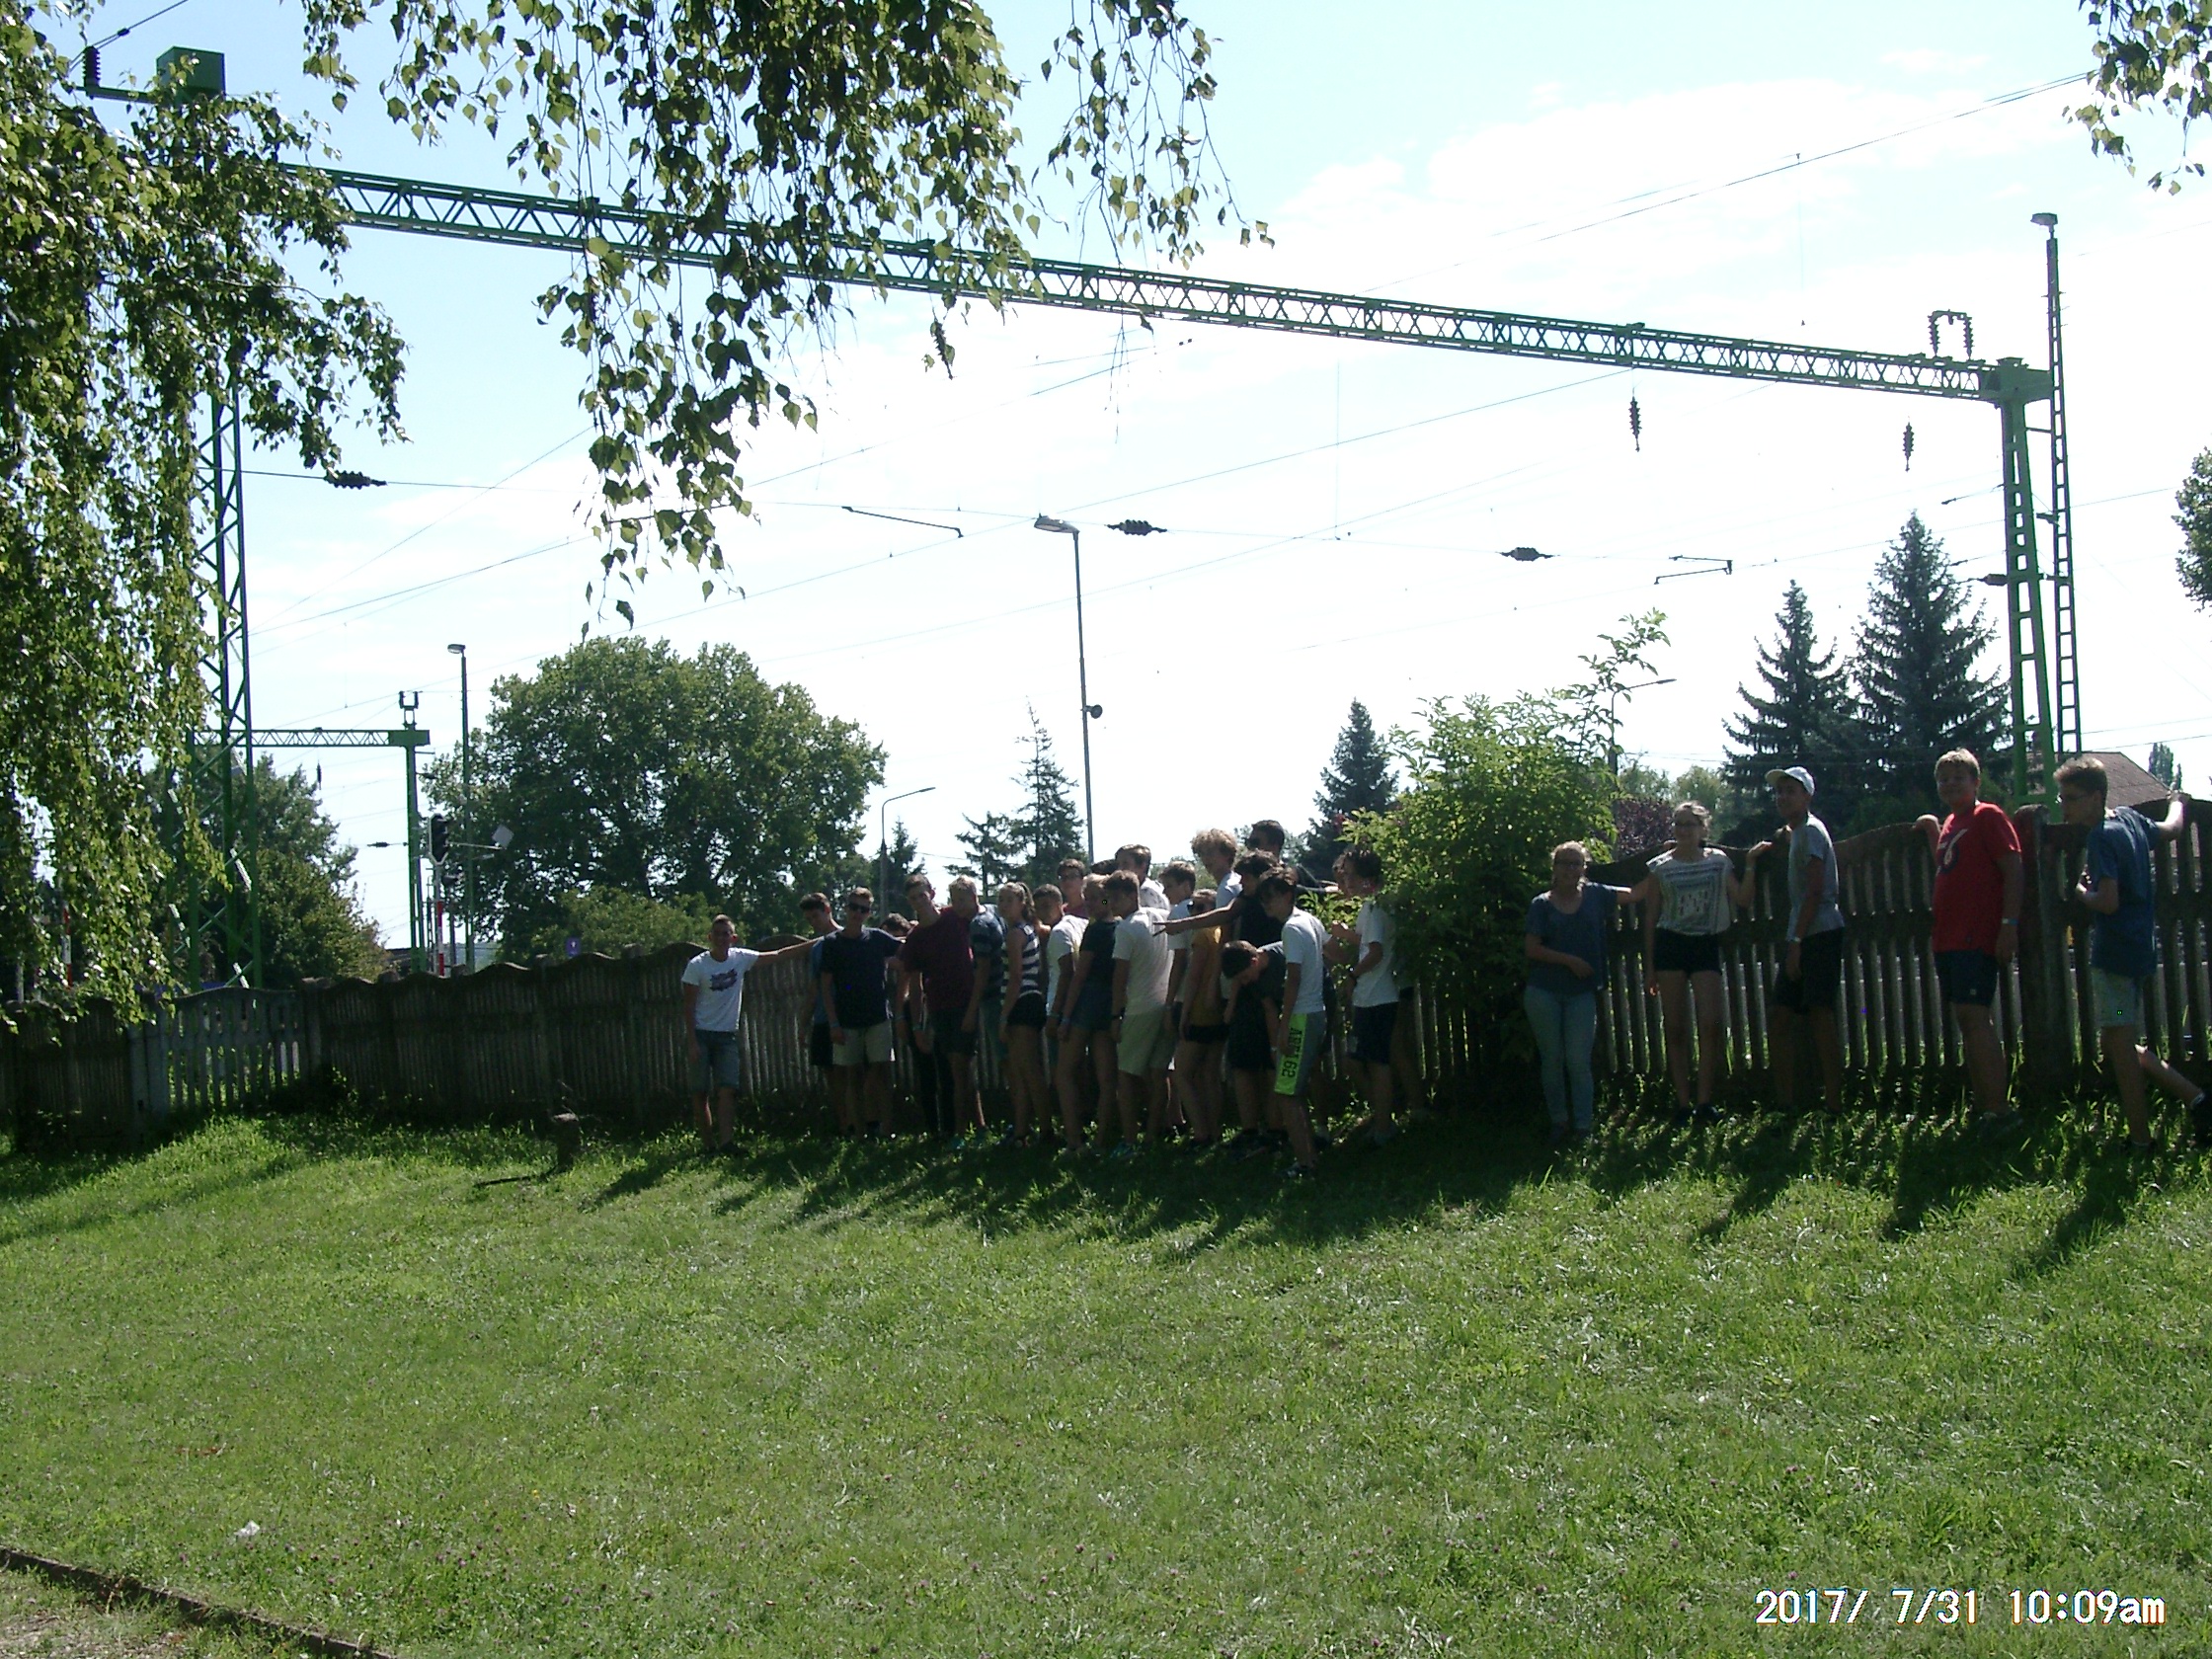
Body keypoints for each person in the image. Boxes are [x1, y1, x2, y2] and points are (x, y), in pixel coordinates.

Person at [2057, 757, 2209, 1151]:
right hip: (2140, 949)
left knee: (2121, 1047)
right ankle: (2197, 1099)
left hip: (2114, 956)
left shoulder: (2100, 837)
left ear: (2095, 797)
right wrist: (2177, 802)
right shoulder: (2130, 820)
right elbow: (2173, 829)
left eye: (2071, 798)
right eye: (2062, 798)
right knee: (2117, 1042)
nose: (2064, 806)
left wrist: (2080, 892)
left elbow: (2108, 901)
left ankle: (2141, 1137)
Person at [1913, 751, 2026, 1140]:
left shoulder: (1987, 816)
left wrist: (2009, 925)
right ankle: (1983, 1106)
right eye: (1943, 779)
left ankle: (2000, 1111)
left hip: (1975, 937)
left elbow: (2013, 870)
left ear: (1976, 782)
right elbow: (1948, 863)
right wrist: (1933, 827)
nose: (1950, 784)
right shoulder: (1952, 823)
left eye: (1958, 777)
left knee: (1977, 1020)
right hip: (1948, 938)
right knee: (1967, 1020)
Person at [1631, 804, 1747, 1125]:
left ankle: (1704, 1102)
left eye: (1690, 824)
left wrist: (1751, 864)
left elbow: (1740, 897)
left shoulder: (1718, 862)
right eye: (1679, 824)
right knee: (1675, 1027)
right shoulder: (1660, 867)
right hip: (1671, 945)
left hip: (1705, 944)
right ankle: (1683, 1104)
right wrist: (1650, 967)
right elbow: (1651, 917)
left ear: (1703, 829)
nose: (1683, 830)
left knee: (1710, 1023)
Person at [1749, 766, 1846, 1116]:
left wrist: (1796, 941)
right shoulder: (1796, 833)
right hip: (1803, 932)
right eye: (1779, 792)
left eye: (1791, 791)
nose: (1783, 797)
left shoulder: (1812, 832)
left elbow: (1815, 891)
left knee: (1820, 1014)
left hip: (1818, 932)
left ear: (1807, 795)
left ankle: (1834, 1104)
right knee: (1780, 1014)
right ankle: (1786, 1103)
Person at [681, 914, 819, 1154]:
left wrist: (816, 942)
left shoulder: (740, 958)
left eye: (726, 934)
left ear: (733, 938)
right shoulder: (697, 965)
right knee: (700, 1091)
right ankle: (708, 1145)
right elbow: (688, 1005)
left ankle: (726, 1142)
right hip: (702, 1034)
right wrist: (692, 1041)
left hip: (727, 1036)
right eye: (717, 934)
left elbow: (778, 955)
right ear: (710, 937)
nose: (721, 938)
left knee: (727, 1089)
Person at [1523, 842, 1628, 1147]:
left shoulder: (1596, 895)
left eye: (1576, 863)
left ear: (1584, 867)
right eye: (1564, 863)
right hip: (1543, 992)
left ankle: (1583, 1126)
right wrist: (1569, 961)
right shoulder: (1541, 904)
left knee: (1578, 1060)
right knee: (1552, 1059)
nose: (1570, 869)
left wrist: (1668, 855)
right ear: (1554, 868)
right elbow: (1532, 949)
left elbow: (1636, 893)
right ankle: (1559, 1121)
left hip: (1581, 992)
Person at [897, 875, 988, 1146]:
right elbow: (915, 985)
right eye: (913, 898)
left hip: (966, 1002)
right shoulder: (915, 938)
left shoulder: (955, 917)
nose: (919, 902)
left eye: (922, 895)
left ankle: (961, 1133)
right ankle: (978, 1128)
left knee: (960, 1067)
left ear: (932, 893)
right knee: (958, 1070)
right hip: (939, 1008)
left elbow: (983, 918)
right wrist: (917, 1026)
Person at [1256, 869, 1329, 1177]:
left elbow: (1294, 978)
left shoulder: (1291, 928)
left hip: (1301, 1015)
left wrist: (1284, 1025)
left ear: (1288, 895)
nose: (1266, 905)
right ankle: (1309, 1154)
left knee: (1286, 1093)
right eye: (1262, 899)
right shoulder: (1310, 920)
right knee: (1294, 1090)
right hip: (1316, 1011)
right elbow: (1332, 952)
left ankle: (1306, 1162)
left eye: (1270, 898)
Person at [820, 887, 904, 1139]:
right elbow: (825, 987)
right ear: (846, 909)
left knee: (883, 1074)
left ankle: (887, 1130)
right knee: (852, 1077)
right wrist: (833, 1023)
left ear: (869, 913)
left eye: (863, 909)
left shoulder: (877, 938)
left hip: (878, 1017)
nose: (858, 913)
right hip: (846, 1020)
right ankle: (859, 1132)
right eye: (854, 907)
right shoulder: (832, 943)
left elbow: (907, 949)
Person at [1330, 846, 1401, 1146]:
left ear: (1366, 879)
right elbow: (1368, 941)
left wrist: (1352, 975)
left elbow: (1375, 952)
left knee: (1376, 1063)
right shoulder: (1375, 906)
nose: (1345, 881)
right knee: (1358, 1061)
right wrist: (1347, 935)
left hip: (1376, 995)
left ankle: (1384, 1126)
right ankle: (1382, 1116)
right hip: (1372, 996)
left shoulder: (1373, 907)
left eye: (1349, 875)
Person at [1106, 871, 1175, 1153]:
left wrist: (1115, 1016)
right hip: (1164, 1004)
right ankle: (1152, 1136)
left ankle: (1130, 1140)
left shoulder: (1125, 929)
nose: (1111, 905)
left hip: (1138, 1008)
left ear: (1130, 895)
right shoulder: (1162, 917)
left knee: (1126, 1075)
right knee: (1159, 1073)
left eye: (1114, 898)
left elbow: (1119, 977)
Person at [1053, 874, 1117, 1152]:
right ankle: (1102, 1138)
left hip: (1089, 1001)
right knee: (1106, 1076)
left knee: (1064, 1072)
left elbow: (1079, 976)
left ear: (1107, 899)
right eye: (1087, 899)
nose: (1090, 904)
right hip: (1110, 1002)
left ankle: (1074, 1138)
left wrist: (1066, 1017)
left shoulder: (1096, 931)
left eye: (1095, 899)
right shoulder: (1120, 928)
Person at [995, 881, 1051, 1146]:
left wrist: (1004, 1016)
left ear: (1022, 904)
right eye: (1001, 900)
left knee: (1029, 1071)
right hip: (1028, 1001)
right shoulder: (1027, 929)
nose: (1004, 905)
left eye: (1009, 900)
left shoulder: (1016, 934)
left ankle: (1046, 1130)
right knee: (1020, 1072)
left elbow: (1016, 977)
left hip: (1022, 1003)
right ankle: (1021, 1130)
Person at [1170, 887, 1225, 1145]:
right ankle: (1215, 1130)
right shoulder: (1220, 933)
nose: (1194, 913)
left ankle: (1201, 1132)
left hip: (1200, 1012)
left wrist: (1184, 1013)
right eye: (1192, 907)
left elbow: (1193, 978)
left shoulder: (1202, 935)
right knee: (1209, 1075)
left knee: (1181, 1072)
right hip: (1218, 1012)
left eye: (1201, 908)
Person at [798, 893, 838, 1124]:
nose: (813, 922)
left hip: (849, 1016)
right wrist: (804, 1023)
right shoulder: (817, 949)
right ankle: (844, 1125)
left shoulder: (849, 939)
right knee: (830, 1074)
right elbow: (813, 989)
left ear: (827, 910)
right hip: (823, 1018)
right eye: (809, 919)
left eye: (816, 916)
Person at [1117, 843, 1167, 910]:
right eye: (1118, 864)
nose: (1120, 869)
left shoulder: (1146, 892)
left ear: (1142, 866)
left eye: (1125, 864)